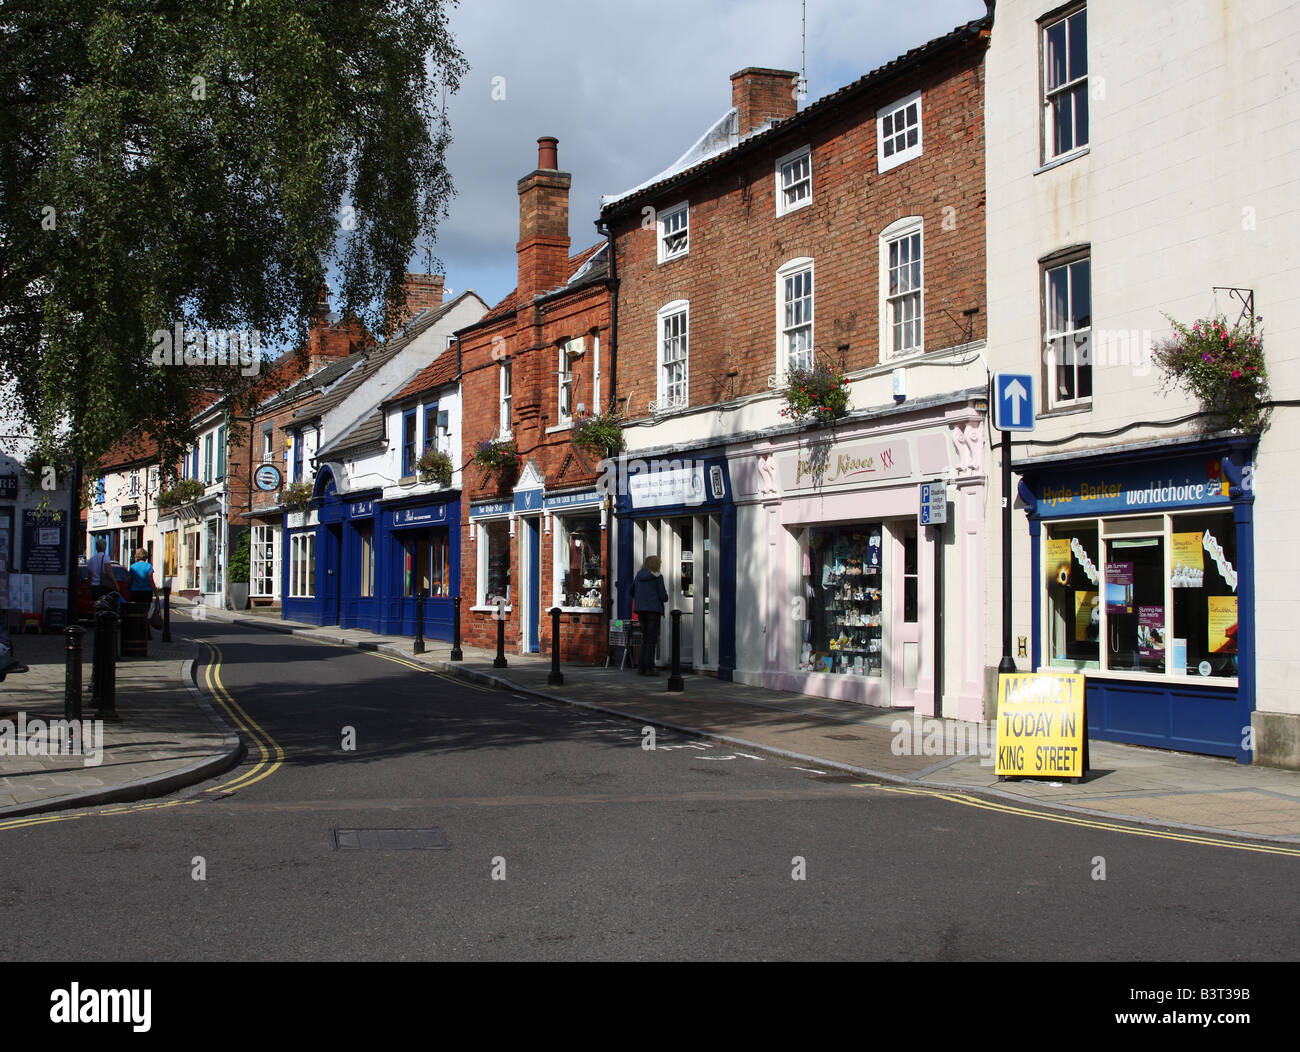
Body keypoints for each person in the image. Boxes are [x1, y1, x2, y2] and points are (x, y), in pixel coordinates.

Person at [633, 555, 668, 676]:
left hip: (641, 610)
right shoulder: (658, 577)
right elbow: (663, 595)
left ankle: (641, 667)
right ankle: (649, 668)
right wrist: (664, 597)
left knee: (645, 638)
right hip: (653, 610)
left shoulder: (638, 575)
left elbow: (631, 591)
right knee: (652, 640)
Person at [127, 547, 158, 638]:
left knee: (136, 614)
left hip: (135, 593)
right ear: (146, 556)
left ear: (137, 556)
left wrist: (127, 590)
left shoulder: (133, 567)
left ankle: (136, 633)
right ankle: (146, 634)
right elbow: (151, 581)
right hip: (146, 593)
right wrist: (156, 593)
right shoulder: (148, 566)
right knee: (144, 613)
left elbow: (129, 581)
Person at [86, 537, 115, 601]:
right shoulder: (105, 557)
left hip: (94, 586)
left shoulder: (91, 560)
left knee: (96, 605)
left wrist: (88, 588)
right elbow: (109, 572)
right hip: (103, 586)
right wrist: (115, 583)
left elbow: (89, 576)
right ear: (104, 547)